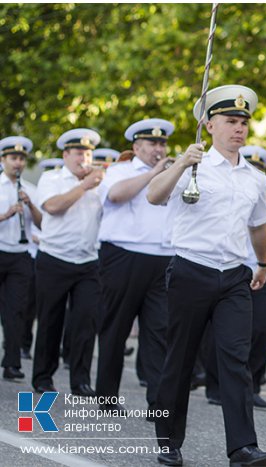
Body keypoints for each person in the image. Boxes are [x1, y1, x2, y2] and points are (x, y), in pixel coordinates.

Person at [147, 84, 266, 467]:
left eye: (243, 123)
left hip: (234, 275)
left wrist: (263, 264)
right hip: (191, 269)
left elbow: (259, 225)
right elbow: (154, 195)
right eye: (230, 121)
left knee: (235, 361)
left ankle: (242, 448)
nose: (239, 129)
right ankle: (168, 440)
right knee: (180, 360)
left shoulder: (253, 177)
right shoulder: (193, 163)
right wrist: (181, 164)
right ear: (209, 124)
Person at [95, 118, 176, 415]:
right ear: (136, 146)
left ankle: (158, 402)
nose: (159, 148)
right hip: (123, 255)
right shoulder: (119, 170)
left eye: (162, 143)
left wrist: (169, 172)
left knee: (159, 331)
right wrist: (154, 173)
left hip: (163, 256)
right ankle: (106, 397)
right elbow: (116, 195)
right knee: (115, 327)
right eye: (152, 143)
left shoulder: (173, 172)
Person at [32, 128, 103, 396]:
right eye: (77, 153)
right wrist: (84, 185)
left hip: (88, 261)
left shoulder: (100, 182)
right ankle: (42, 377)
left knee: (85, 322)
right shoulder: (52, 178)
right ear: (65, 155)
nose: (83, 158)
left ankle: (81, 381)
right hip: (54, 258)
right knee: (51, 320)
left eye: (87, 153)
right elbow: (53, 207)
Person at [0, 136, 41, 380]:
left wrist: (30, 206)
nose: (18, 163)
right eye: (13, 158)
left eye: (21, 159)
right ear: (3, 160)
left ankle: (11, 363)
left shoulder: (30, 190)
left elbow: (41, 224)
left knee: (17, 311)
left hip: (19, 256)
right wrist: (6, 215)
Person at [240, 144, 266, 409]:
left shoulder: (260, 191)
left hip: (257, 268)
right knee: (232, 334)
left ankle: (252, 386)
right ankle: (217, 386)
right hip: (232, 266)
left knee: (262, 329)